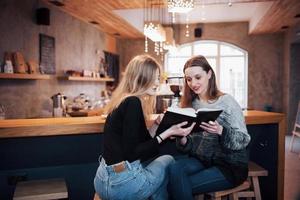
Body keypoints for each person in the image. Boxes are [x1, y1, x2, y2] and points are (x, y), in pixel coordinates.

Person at [94, 55, 195, 200]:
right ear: (141, 78)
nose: (157, 82)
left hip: (102, 181)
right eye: (153, 78)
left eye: (158, 77)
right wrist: (168, 133)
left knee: (157, 174)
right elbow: (133, 153)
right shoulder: (133, 102)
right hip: (122, 186)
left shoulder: (123, 100)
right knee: (168, 160)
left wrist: (157, 124)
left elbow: (140, 143)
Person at [168, 55, 251, 200]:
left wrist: (221, 131)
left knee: (178, 185)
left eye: (198, 77)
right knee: (174, 169)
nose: (193, 83)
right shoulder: (190, 105)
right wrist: (181, 138)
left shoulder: (227, 102)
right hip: (202, 160)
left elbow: (244, 140)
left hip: (229, 166)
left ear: (209, 74)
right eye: (189, 79)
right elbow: (190, 146)